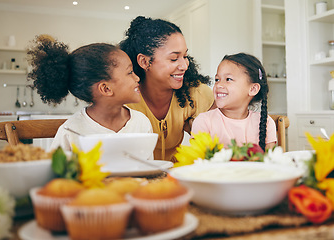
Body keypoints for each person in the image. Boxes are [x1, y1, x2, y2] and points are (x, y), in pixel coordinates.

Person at [27, 35, 153, 151]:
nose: (137, 78)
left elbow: (150, 171)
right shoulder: (70, 131)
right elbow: (57, 173)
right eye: (130, 72)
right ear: (106, 89)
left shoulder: (141, 123)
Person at [119, 16, 215, 162]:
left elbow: (209, 147)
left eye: (185, 56)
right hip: (134, 178)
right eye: (174, 59)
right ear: (144, 61)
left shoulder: (196, 93)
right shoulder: (124, 99)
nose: (184, 65)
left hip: (177, 175)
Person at [191, 53, 277, 151]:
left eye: (228, 79)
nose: (219, 85)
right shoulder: (204, 121)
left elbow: (270, 163)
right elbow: (198, 161)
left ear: (253, 89)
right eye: (217, 79)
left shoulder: (266, 123)